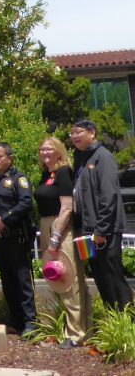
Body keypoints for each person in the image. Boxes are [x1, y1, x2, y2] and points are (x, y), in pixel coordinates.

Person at [70, 119, 133, 311]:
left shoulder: (103, 157)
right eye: (71, 133)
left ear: (92, 133)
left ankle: (126, 321)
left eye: (78, 132)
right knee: (99, 275)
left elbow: (109, 195)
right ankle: (112, 320)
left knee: (112, 275)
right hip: (89, 230)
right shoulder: (81, 158)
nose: (74, 136)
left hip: (105, 231)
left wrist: (101, 229)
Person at [35, 136, 89, 347]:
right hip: (46, 226)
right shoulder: (45, 175)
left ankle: (77, 334)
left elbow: (67, 207)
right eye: (42, 149)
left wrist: (56, 236)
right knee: (56, 277)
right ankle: (66, 330)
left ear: (58, 151)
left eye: (49, 149)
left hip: (61, 228)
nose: (45, 152)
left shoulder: (64, 171)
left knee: (70, 278)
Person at [0, 142, 37, 336]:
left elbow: (26, 203)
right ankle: (16, 319)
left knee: (22, 281)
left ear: (9, 158)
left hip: (16, 239)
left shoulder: (18, 179)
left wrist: (5, 218)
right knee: (7, 282)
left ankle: (31, 322)